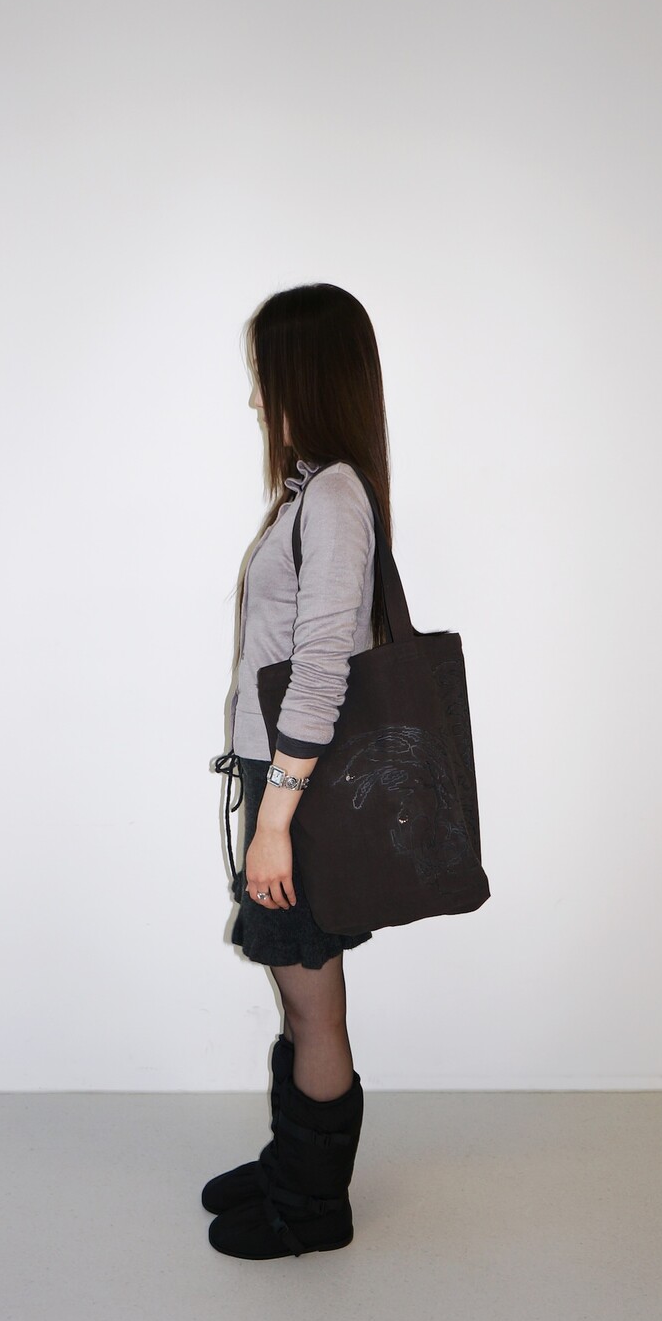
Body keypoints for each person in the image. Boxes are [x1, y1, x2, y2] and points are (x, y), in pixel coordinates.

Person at [204, 282, 394, 1260]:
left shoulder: (335, 497)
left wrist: (275, 819)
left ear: (306, 378)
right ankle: (295, 1160)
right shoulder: (312, 492)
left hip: (296, 790)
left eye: (264, 377)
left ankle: (315, 1205)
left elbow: (322, 667)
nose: (255, 398)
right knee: (297, 986)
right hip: (280, 776)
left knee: (312, 995)